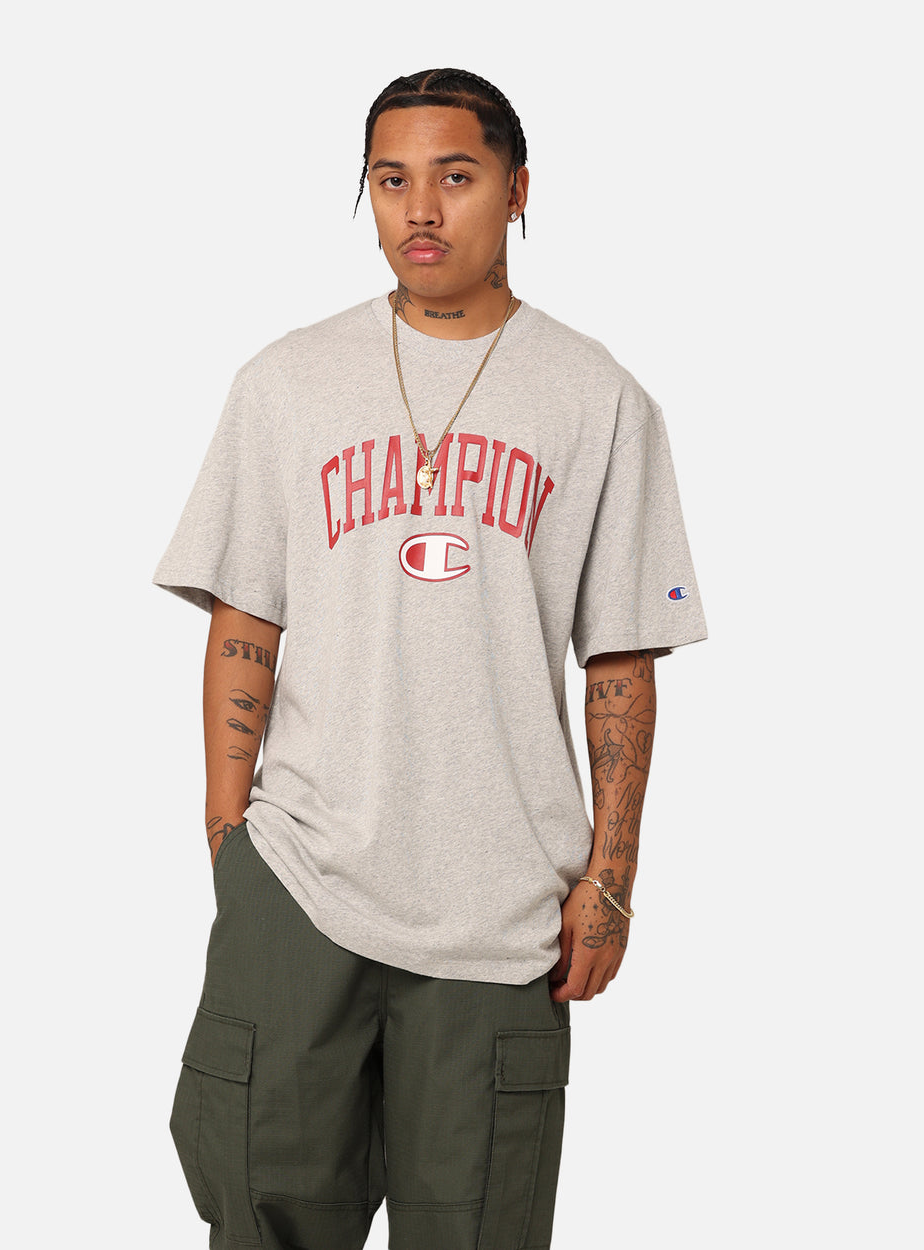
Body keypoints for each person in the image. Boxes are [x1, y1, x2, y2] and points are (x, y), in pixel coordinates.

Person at [153, 67, 707, 1250]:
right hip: (300, 881)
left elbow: (620, 661)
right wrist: (227, 833)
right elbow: (244, 621)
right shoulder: (286, 382)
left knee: (477, 1228)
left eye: (454, 176)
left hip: (501, 908)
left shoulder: (600, 398)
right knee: (261, 1211)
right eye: (390, 179)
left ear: (517, 190)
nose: (419, 208)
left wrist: (610, 878)